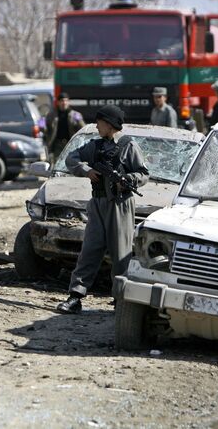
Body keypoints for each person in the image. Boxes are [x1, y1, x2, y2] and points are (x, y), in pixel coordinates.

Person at [56, 105, 149, 314]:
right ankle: (75, 296)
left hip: (120, 204)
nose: (97, 126)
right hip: (97, 203)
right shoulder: (94, 146)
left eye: (99, 123)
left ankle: (121, 299)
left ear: (109, 124)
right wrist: (87, 170)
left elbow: (143, 174)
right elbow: (71, 159)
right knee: (89, 250)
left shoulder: (128, 145)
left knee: (121, 254)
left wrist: (127, 180)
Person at [45, 93, 85, 163]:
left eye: (66, 101)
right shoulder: (51, 115)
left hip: (71, 144)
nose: (64, 103)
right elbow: (46, 130)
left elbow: (83, 129)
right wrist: (42, 125)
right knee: (57, 164)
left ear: (68, 102)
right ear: (58, 102)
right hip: (57, 145)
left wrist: (79, 121)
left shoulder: (75, 115)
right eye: (62, 101)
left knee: (71, 164)